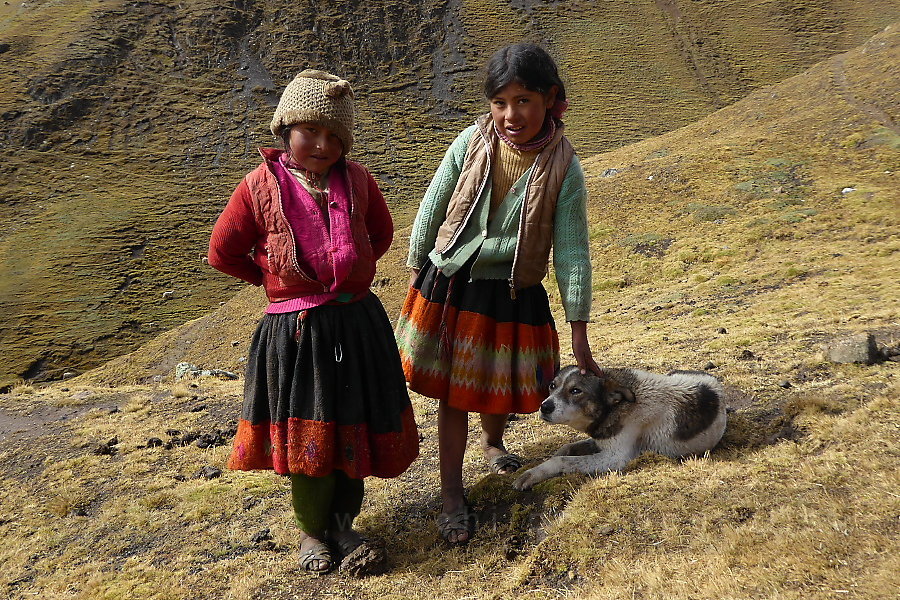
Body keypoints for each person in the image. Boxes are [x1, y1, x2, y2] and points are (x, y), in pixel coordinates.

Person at [208, 70, 419, 576]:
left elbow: (380, 235)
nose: (322, 145)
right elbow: (223, 251)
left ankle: (344, 525)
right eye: (310, 132)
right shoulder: (258, 186)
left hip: (355, 324)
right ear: (286, 131)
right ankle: (310, 532)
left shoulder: (359, 181)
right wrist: (275, 281)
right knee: (309, 438)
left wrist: (347, 278)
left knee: (354, 427)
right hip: (296, 334)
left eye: (334, 137)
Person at [395, 43, 598, 545]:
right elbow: (433, 205)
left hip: (512, 290)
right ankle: (450, 497)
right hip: (454, 285)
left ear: (550, 99)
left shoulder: (564, 168)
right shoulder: (469, 143)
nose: (512, 115)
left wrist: (579, 328)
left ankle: (493, 443)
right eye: (500, 102)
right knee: (453, 395)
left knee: (494, 385)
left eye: (525, 100)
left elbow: (572, 250)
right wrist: (416, 267)